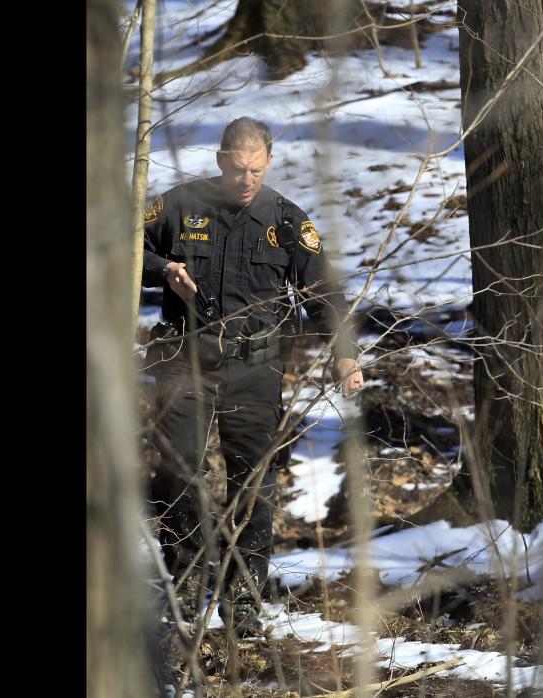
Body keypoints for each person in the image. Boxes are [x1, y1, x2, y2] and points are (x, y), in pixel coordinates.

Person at [141, 116, 364, 634]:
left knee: (254, 481)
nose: (246, 180)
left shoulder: (285, 219)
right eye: (238, 169)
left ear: (268, 163)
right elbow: (124, 252)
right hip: (183, 360)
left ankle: (244, 596)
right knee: (176, 472)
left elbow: (322, 292)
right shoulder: (178, 205)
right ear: (221, 161)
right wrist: (163, 271)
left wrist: (345, 354)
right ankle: (191, 576)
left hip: (254, 367)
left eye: (256, 170)